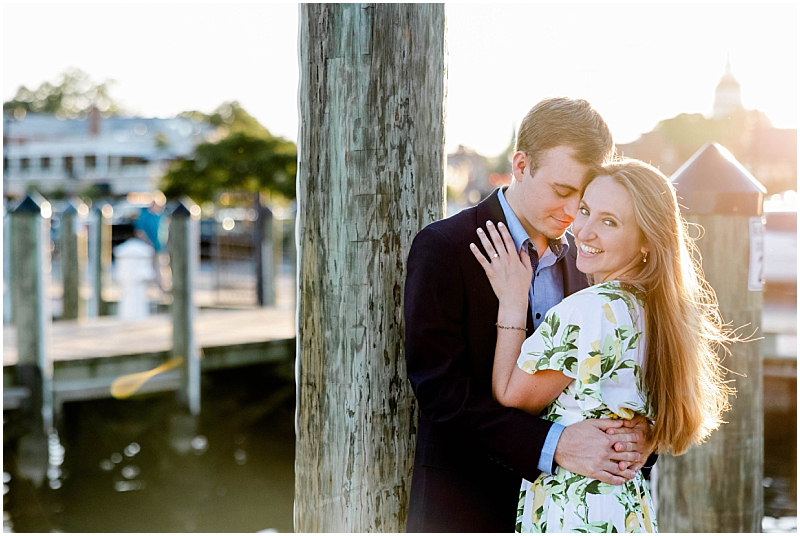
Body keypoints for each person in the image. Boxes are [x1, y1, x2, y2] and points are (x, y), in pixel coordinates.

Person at [404, 98, 655, 533]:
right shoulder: (445, 247)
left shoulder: (592, 257)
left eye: (585, 196)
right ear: (521, 164)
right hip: (467, 506)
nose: (573, 213)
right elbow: (441, 393)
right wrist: (554, 445)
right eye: (562, 191)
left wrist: (639, 438)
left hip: (570, 512)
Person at [471, 159, 734, 532]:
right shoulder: (660, 311)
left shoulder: (589, 310)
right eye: (585, 211)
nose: (584, 231)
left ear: (646, 239)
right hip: (626, 508)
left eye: (609, 222)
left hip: (575, 510)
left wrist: (513, 301)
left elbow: (512, 394)